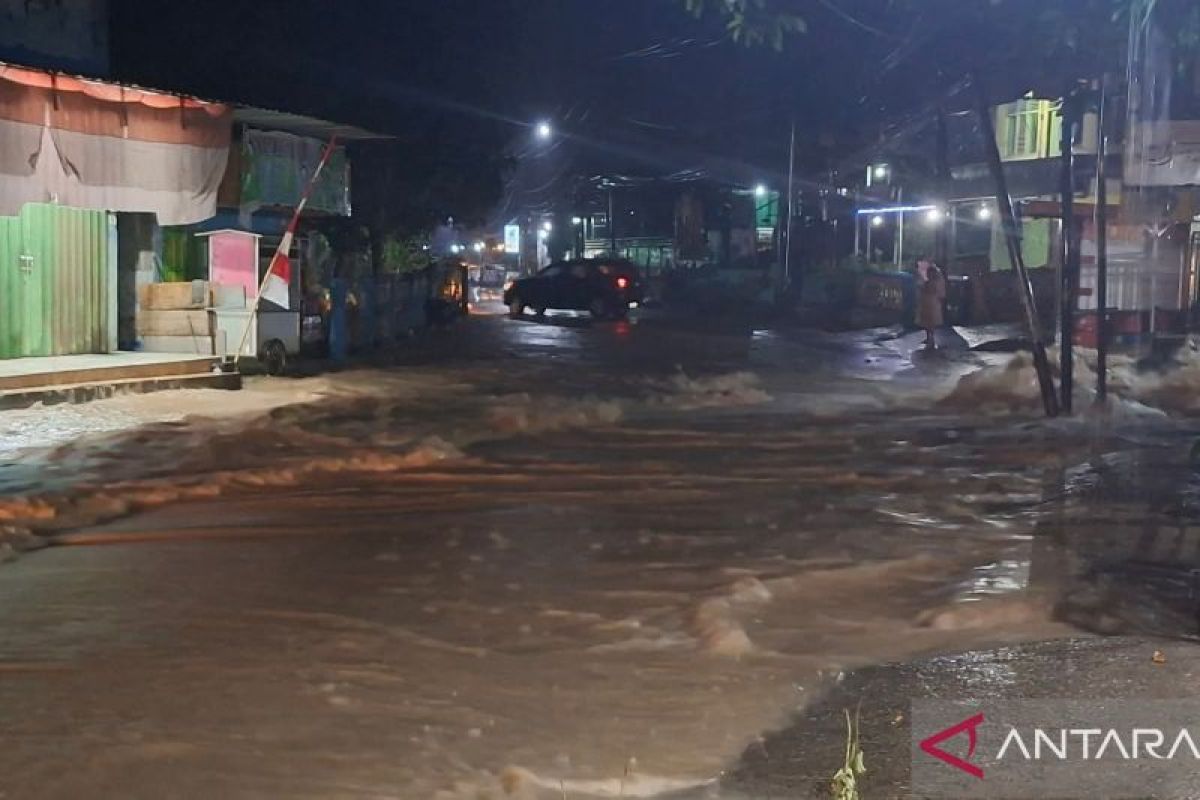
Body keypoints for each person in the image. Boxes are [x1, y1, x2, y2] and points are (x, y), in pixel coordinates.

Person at [915, 258, 946, 348]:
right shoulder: (928, 281)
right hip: (927, 302)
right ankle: (928, 337)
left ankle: (931, 338)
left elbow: (936, 291)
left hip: (932, 302)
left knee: (930, 322)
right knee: (926, 322)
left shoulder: (935, 281)